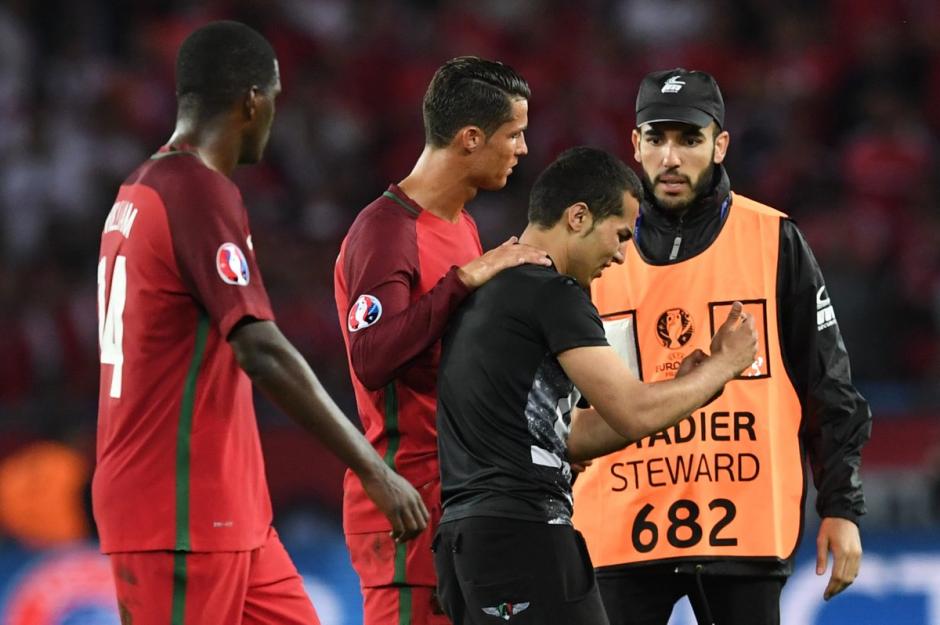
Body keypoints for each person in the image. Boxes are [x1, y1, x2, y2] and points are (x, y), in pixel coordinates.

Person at [94, 21, 427, 625]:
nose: (274, 114)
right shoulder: (195, 191)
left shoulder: (139, 188)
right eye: (274, 98)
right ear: (252, 101)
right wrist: (372, 468)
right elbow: (260, 349)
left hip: (230, 513)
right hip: (177, 514)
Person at [571, 69, 873, 625]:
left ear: (720, 145)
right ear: (635, 143)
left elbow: (827, 385)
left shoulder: (773, 239)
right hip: (615, 532)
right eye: (657, 138)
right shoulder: (590, 248)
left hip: (743, 536)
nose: (670, 157)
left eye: (689, 139)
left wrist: (842, 508)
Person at [433, 146, 759, 625]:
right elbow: (632, 411)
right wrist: (725, 366)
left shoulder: (491, 290)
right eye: (621, 234)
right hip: (524, 534)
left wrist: (693, 387)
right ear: (579, 217)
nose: (622, 254)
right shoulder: (553, 293)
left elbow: (569, 435)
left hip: (467, 544)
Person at [334, 56, 550, 625]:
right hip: (407, 503)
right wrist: (464, 281)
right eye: (514, 134)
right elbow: (371, 357)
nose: (522, 149)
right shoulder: (385, 231)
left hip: (459, 496)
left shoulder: (461, 225)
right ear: (472, 138)